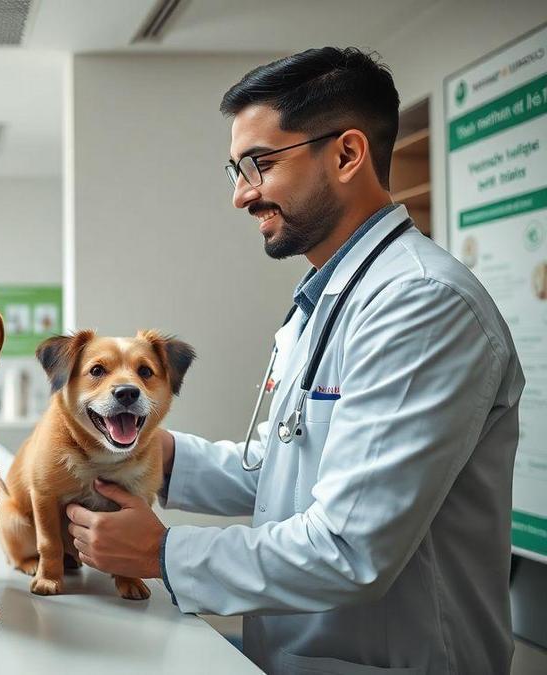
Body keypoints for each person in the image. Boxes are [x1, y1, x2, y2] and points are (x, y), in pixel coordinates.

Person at [64, 48, 523, 674]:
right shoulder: (325, 300)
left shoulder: (421, 306)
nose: (241, 196)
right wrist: (160, 456)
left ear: (346, 154)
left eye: (259, 165)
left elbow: (349, 546)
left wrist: (165, 555)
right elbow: (283, 476)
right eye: (235, 172)